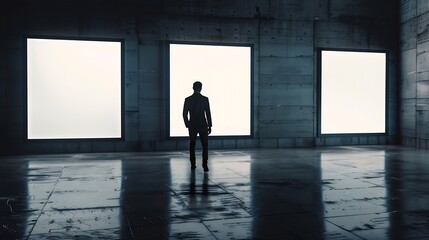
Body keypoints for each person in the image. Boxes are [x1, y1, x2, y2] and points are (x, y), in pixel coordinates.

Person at [183, 81, 212, 172]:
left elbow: (184, 113)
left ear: (193, 88)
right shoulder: (205, 99)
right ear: (201, 88)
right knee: (205, 145)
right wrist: (210, 125)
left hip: (192, 125)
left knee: (192, 145)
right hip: (203, 125)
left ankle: (193, 164)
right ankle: (205, 164)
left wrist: (187, 124)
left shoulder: (188, 99)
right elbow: (208, 113)